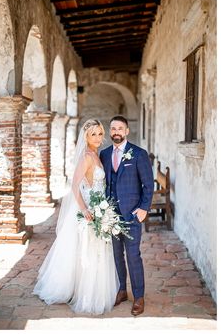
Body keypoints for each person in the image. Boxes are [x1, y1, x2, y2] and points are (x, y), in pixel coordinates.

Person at [33, 119, 119, 314]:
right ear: (86, 137)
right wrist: (86, 210)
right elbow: (74, 186)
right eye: (93, 134)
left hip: (99, 207)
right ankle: (84, 293)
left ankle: (94, 290)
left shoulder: (97, 155)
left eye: (99, 133)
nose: (97, 138)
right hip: (87, 211)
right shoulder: (87, 157)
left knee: (96, 251)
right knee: (85, 251)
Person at [100, 115, 154, 316]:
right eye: (113, 128)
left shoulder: (139, 154)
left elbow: (148, 185)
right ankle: (122, 290)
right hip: (110, 216)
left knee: (133, 256)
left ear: (127, 131)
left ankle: (138, 296)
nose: (116, 132)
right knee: (116, 255)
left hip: (132, 215)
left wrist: (143, 209)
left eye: (120, 128)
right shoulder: (104, 154)